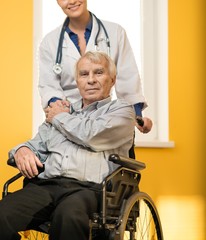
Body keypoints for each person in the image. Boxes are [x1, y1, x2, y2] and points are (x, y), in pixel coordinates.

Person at [0, 52, 136, 240]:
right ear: (77, 82)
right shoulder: (62, 111)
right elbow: (36, 145)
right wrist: (21, 151)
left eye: (98, 73)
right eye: (84, 74)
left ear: (112, 80)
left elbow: (92, 135)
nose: (90, 80)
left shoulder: (122, 111)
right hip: (46, 186)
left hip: (90, 190)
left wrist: (59, 117)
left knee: (68, 216)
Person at [38, 0, 152, 135]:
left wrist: (137, 115)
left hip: (105, 117)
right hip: (68, 117)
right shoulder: (50, 42)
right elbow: (49, 86)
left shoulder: (115, 32)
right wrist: (59, 109)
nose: (72, 1)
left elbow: (128, 78)